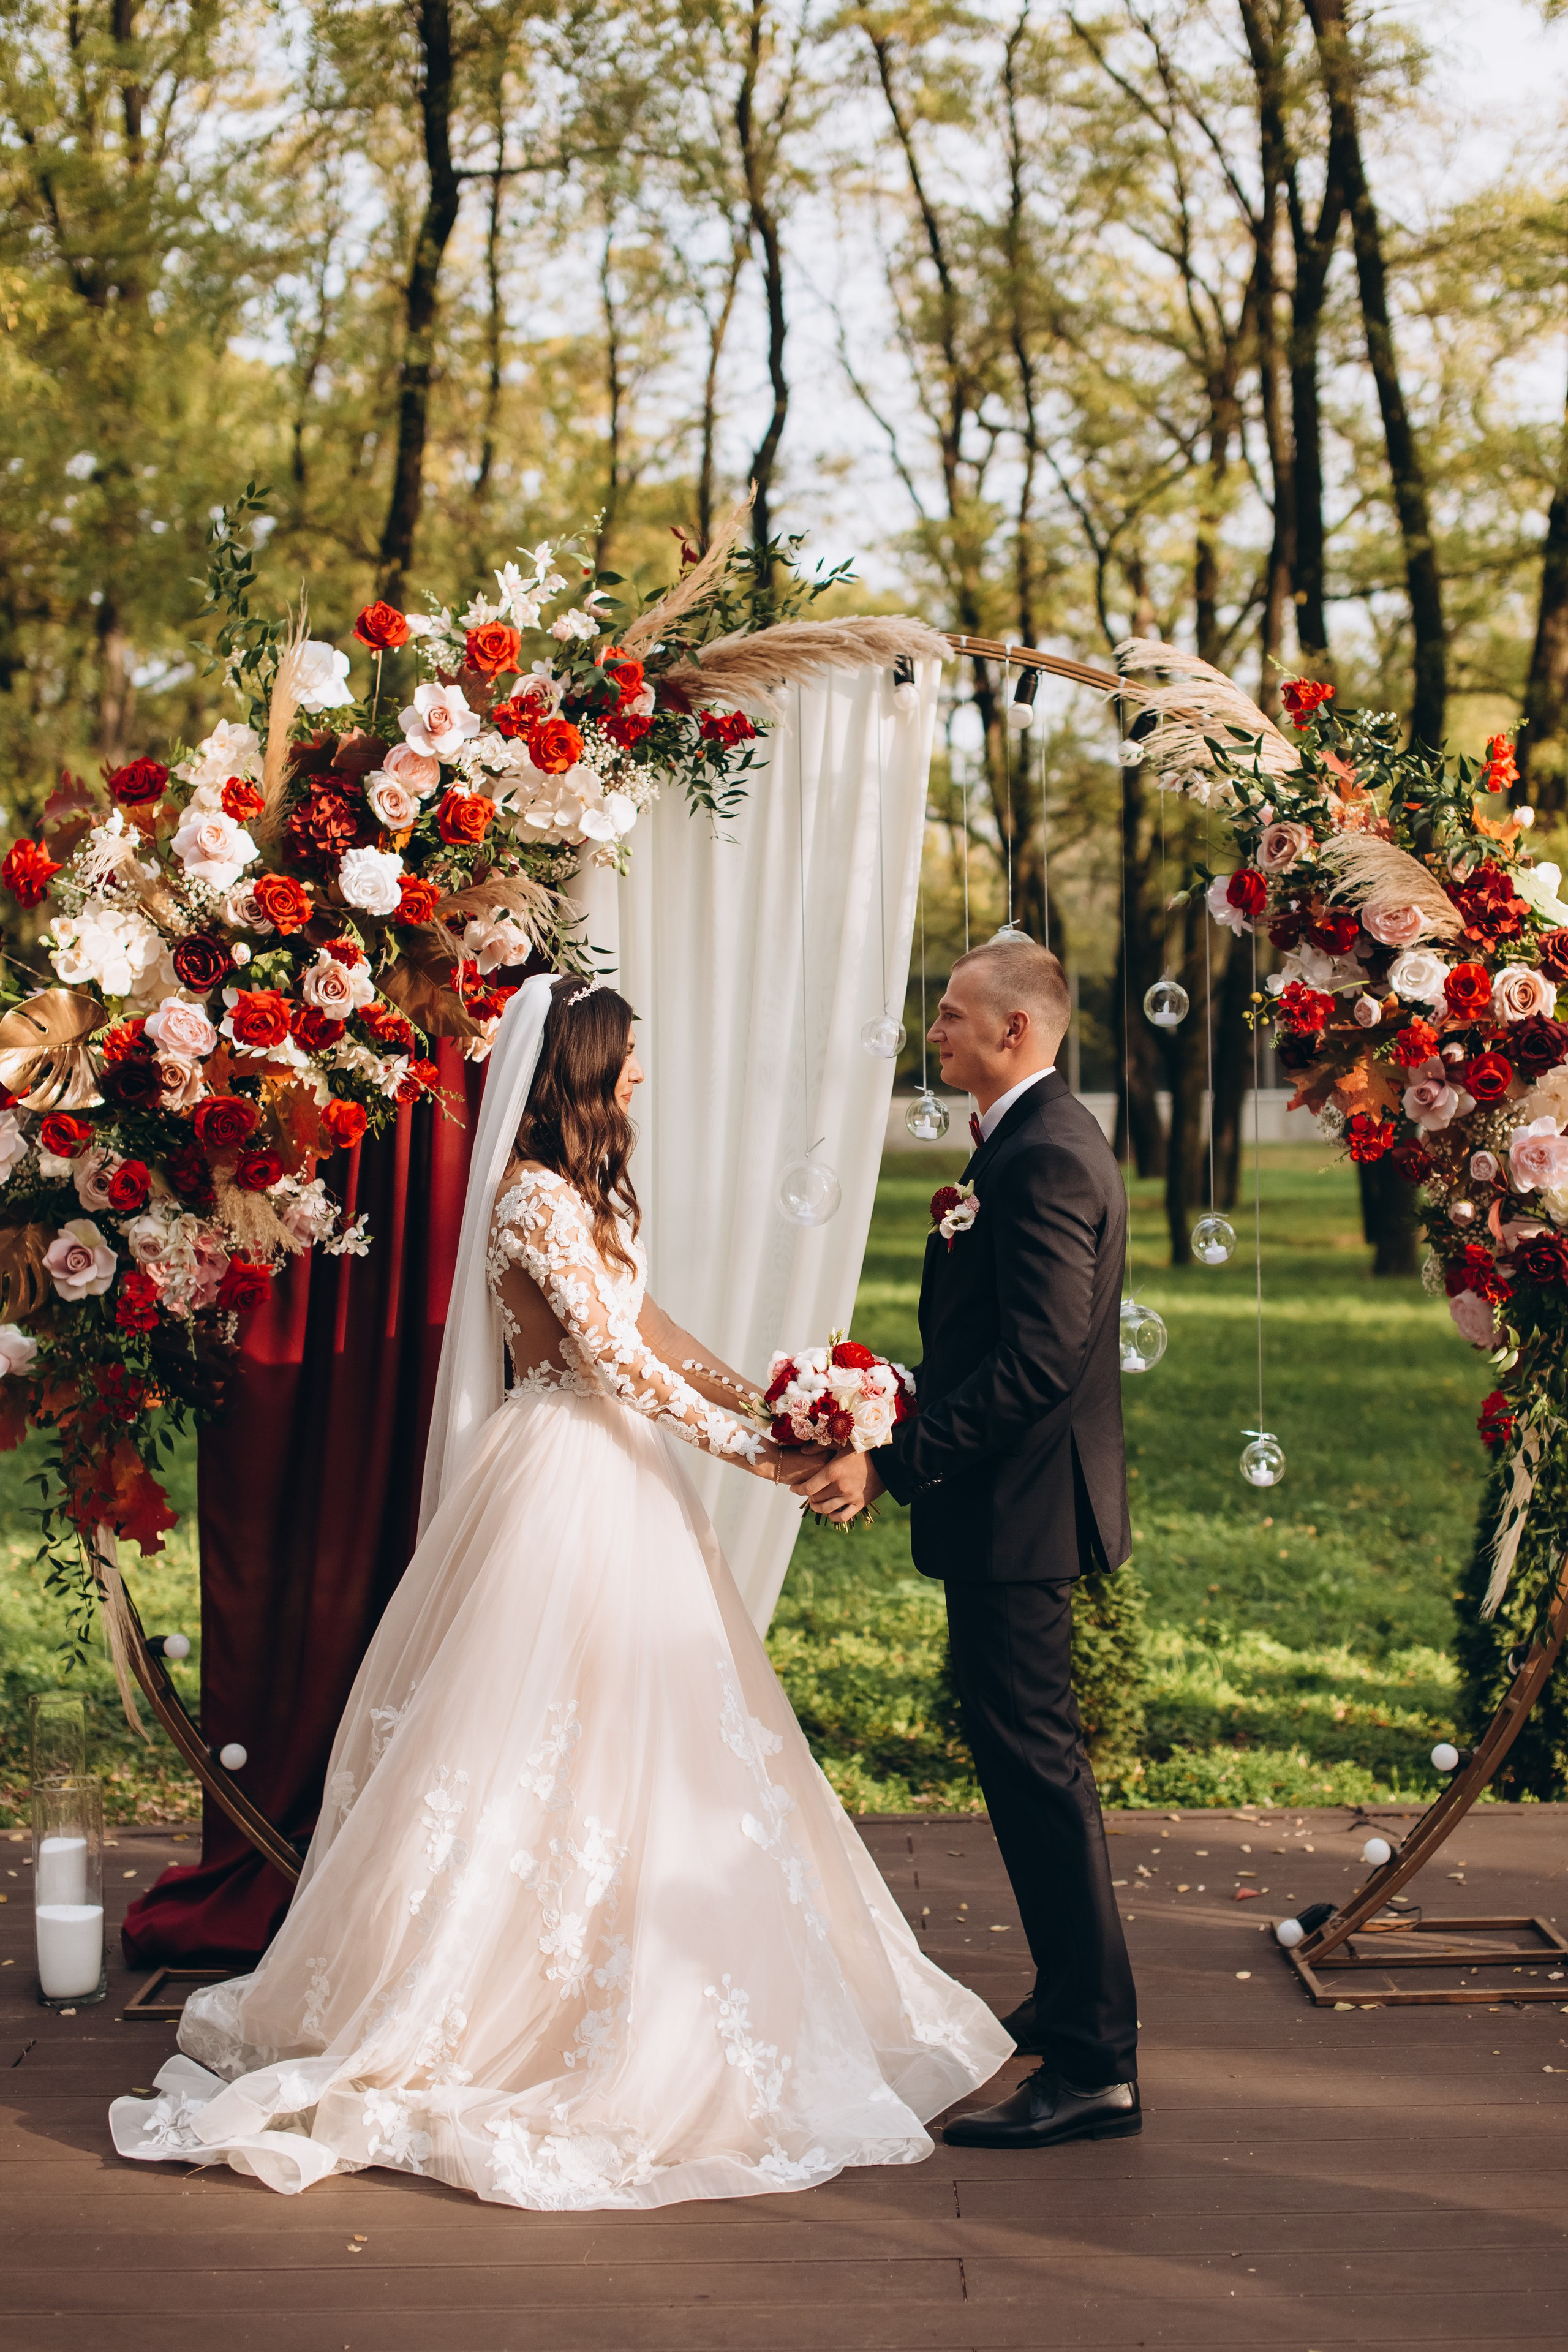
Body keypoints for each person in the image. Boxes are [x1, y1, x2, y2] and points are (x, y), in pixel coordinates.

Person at [109, 973, 1010, 2208]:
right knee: (540, 1738)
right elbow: (616, 1370)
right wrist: (775, 1464)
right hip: (565, 1482)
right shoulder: (530, 1198)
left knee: (656, 1738)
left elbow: (659, 1330)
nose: (644, 1073)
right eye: (631, 1055)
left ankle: (636, 1967)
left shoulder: (588, 1192)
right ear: (584, 1064)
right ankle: (508, 2007)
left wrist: (779, 1396)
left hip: (626, 1486)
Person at [786, 935, 1140, 2150]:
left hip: (1021, 1510)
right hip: (1012, 1504)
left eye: (947, 1016)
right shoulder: (1020, 1143)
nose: (931, 1034)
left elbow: (1038, 1363)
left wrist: (890, 1457)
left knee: (1037, 1772)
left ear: (1014, 1033)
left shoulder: (1043, 1157)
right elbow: (996, 1344)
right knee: (1022, 1761)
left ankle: (1095, 2062)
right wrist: (885, 1390)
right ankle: (1067, 1995)